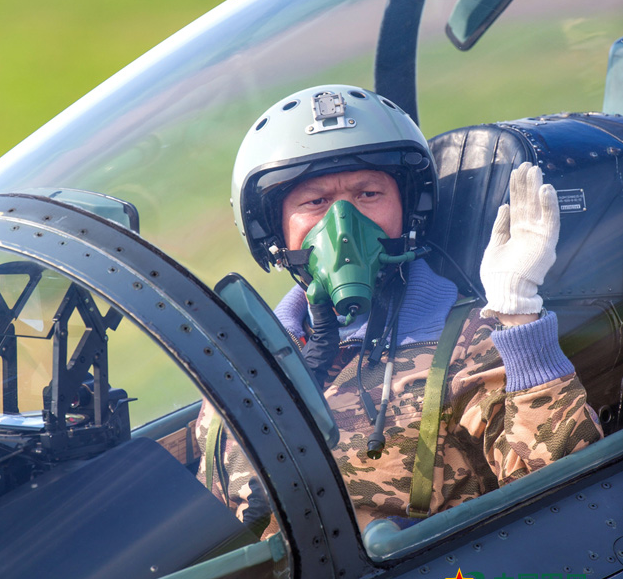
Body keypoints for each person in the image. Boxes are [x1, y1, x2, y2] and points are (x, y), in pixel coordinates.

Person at [205, 84, 602, 531]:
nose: (342, 228)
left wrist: (518, 313)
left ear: (409, 213)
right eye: (315, 202)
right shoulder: (242, 358)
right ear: (274, 230)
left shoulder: (470, 344)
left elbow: (572, 496)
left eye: (368, 194)